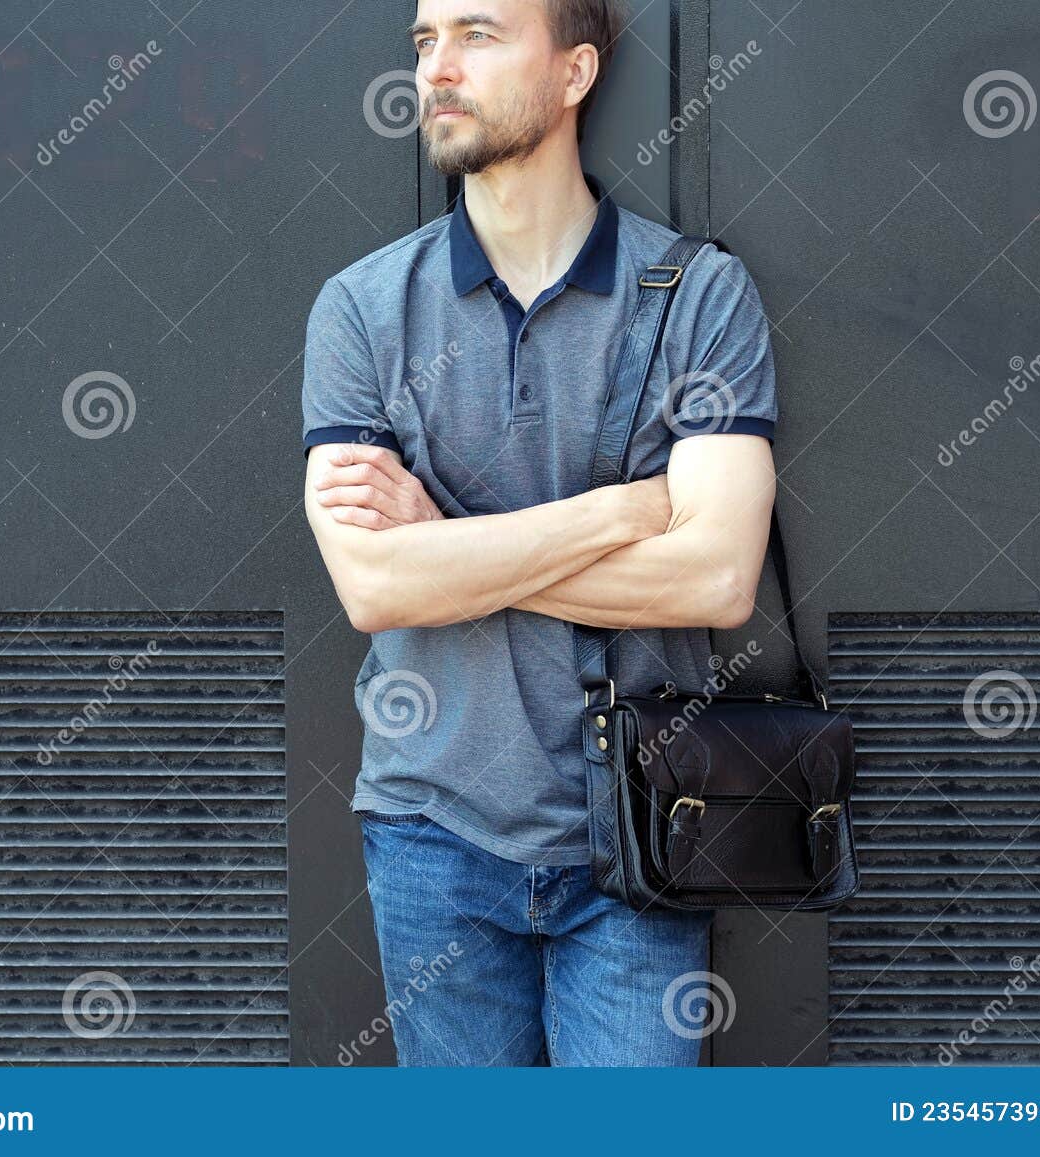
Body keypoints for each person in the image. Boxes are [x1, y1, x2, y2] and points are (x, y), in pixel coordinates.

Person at [300, 0, 778, 1066]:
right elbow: (377, 589)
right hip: (433, 835)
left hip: (643, 828)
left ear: (574, 72)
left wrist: (449, 546)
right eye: (425, 42)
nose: (438, 67)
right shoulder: (363, 309)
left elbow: (714, 577)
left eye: (477, 33)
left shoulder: (696, 295)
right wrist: (619, 511)